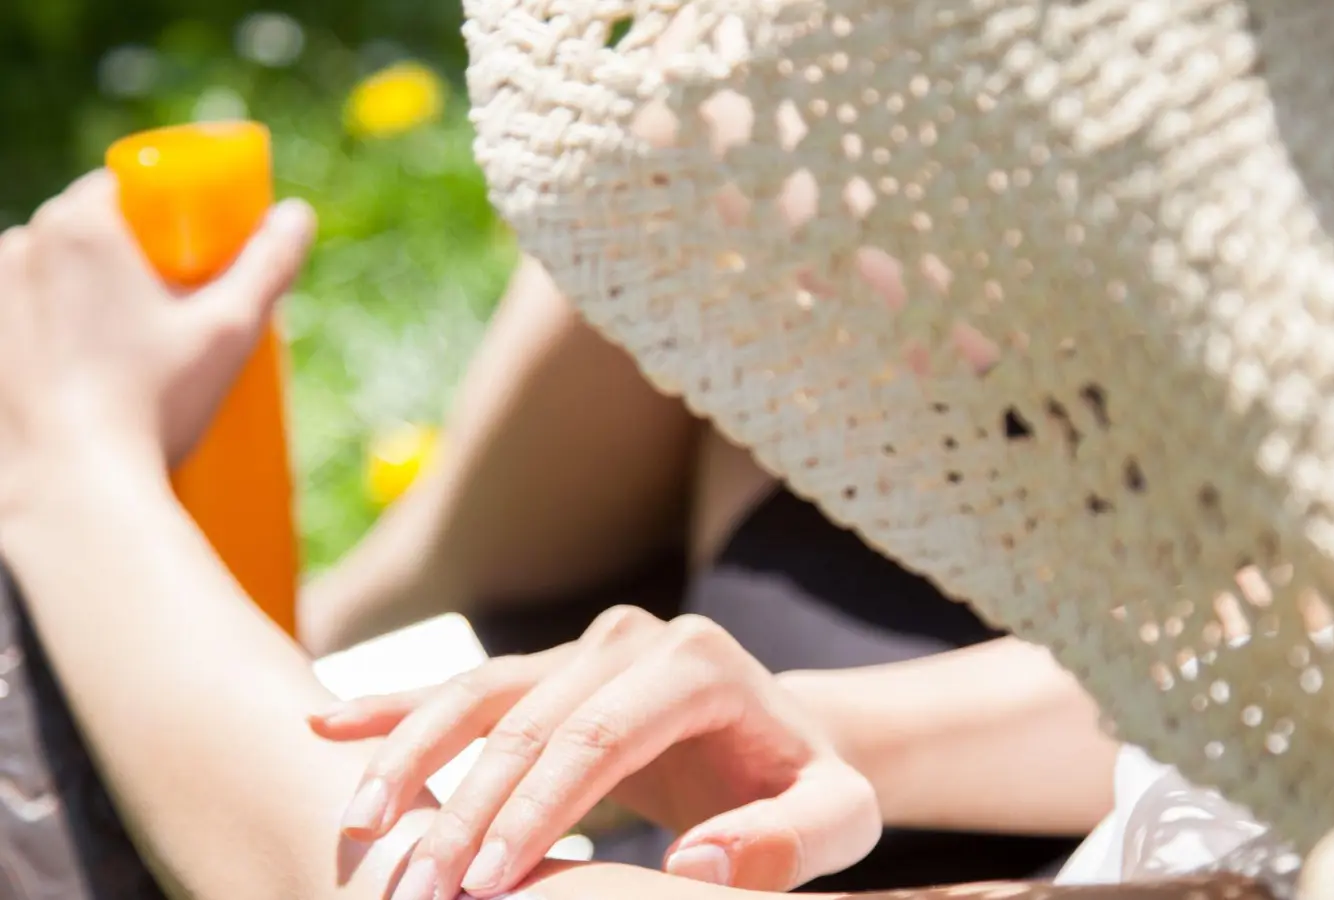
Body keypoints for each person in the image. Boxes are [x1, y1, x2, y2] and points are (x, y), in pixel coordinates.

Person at [0, 170, 1132, 900]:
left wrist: (68, 461)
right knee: (752, 166)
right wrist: (821, 725)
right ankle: (366, 623)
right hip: (1083, 715)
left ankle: (254, 676)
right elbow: (1281, 687)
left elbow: (401, 890)